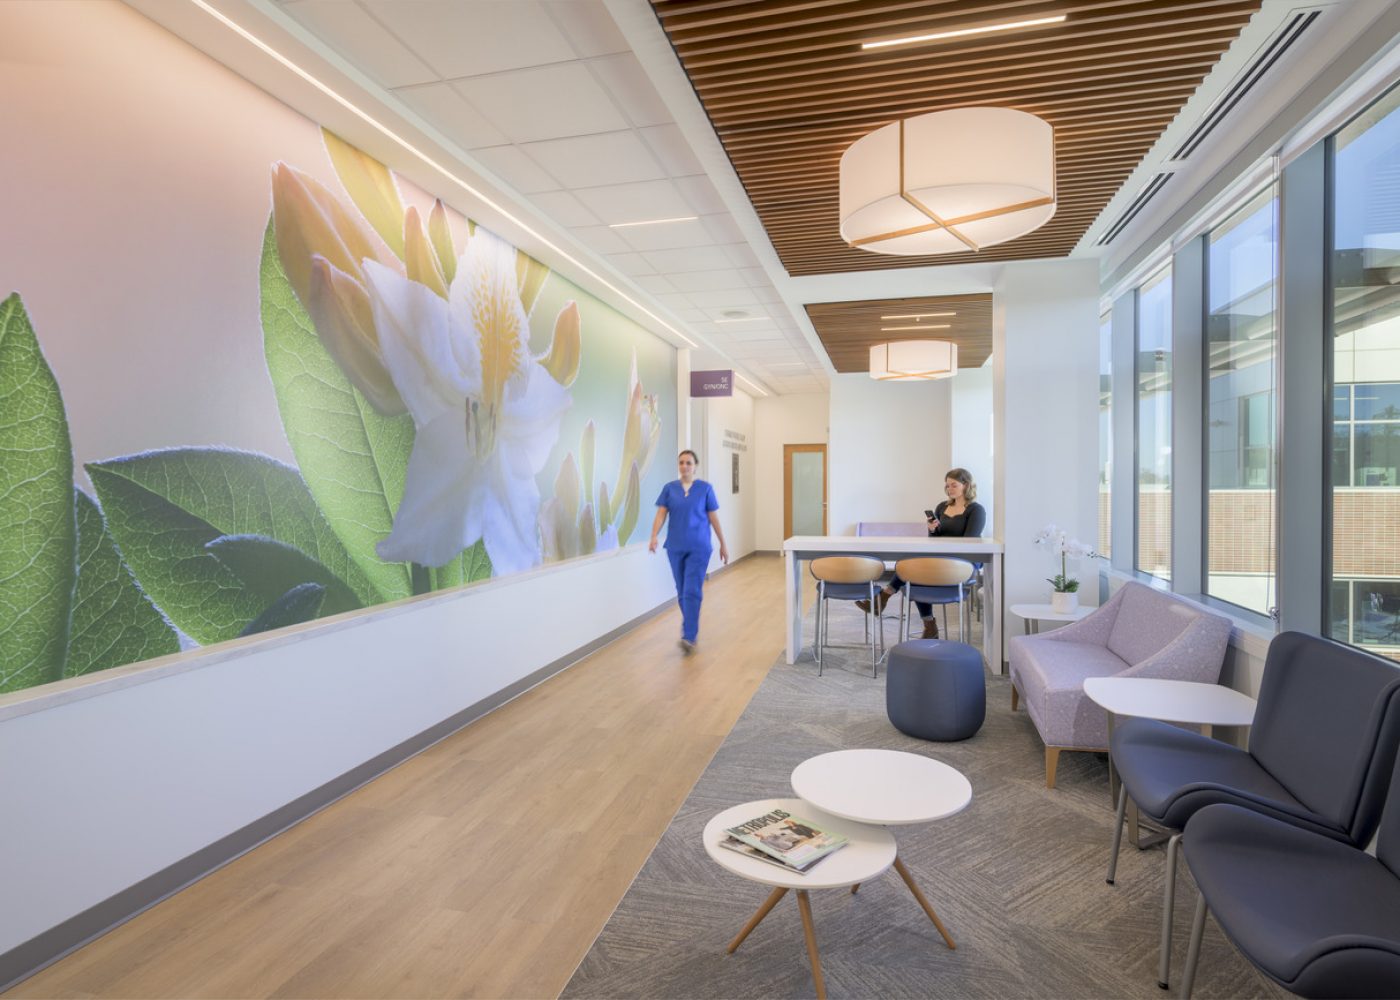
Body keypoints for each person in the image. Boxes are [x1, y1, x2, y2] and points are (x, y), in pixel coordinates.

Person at [856, 468, 986, 639]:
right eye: (947, 486)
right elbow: (935, 539)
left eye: (954, 485)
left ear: (966, 485)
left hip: (962, 564)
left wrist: (941, 550)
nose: (949, 489)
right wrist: (932, 530)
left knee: (916, 570)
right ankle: (928, 625)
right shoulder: (942, 507)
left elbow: (969, 542)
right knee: (914, 571)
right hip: (939, 559)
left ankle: (884, 598)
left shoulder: (976, 510)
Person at [649, 450, 730, 655]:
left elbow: (713, 518)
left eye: (689, 463)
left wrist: (723, 543)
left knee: (692, 590)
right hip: (675, 547)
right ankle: (690, 630)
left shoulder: (705, 489)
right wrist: (653, 536)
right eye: (681, 462)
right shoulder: (669, 489)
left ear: (695, 466)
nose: (684, 466)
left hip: (699, 547)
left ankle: (689, 636)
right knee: (681, 590)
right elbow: (661, 515)